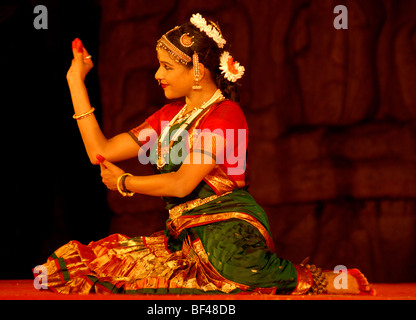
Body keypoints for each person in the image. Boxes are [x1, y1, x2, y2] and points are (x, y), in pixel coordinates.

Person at [36, 13, 373, 295]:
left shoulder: (226, 116)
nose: (157, 75)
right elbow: (102, 150)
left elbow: (183, 183)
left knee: (230, 273)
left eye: (167, 67)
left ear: (196, 70)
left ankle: (320, 279)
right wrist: (75, 81)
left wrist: (125, 181)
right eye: (159, 66)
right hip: (186, 235)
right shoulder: (169, 116)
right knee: (98, 264)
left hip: (228, 229)